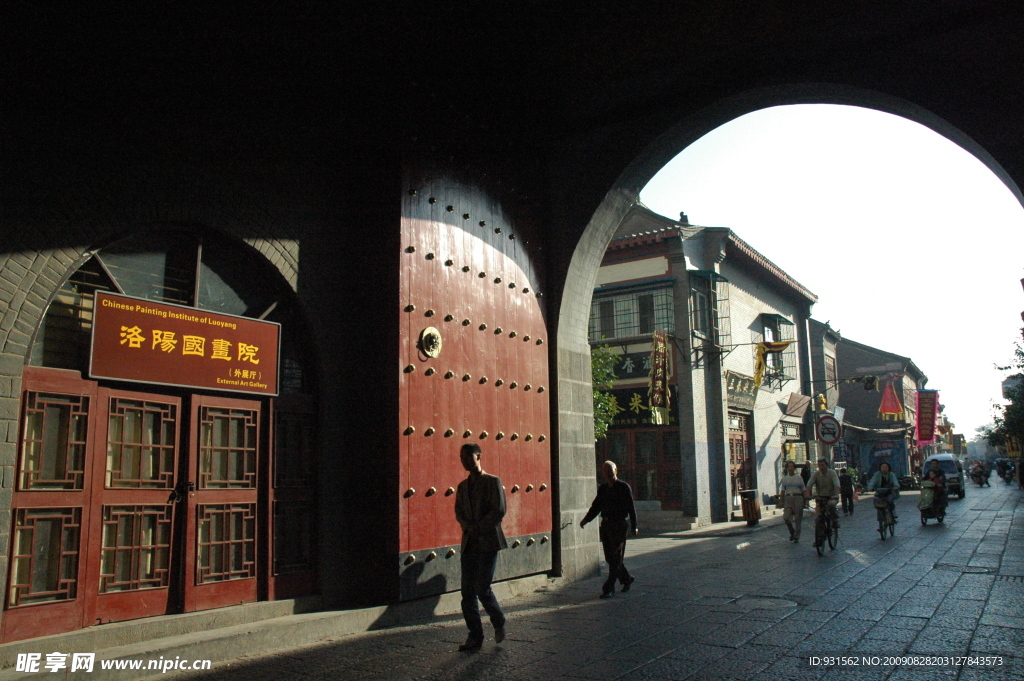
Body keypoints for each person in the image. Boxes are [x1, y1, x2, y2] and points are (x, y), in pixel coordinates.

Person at [454, 443, 507, 652]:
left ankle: (498, 620)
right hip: (469, 542)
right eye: (462, 457)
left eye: (469, 456)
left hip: (488, 541)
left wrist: (479, 527)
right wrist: (467, 526)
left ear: (479, 456)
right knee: (467, 592)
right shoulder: (462, 487)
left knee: (482, 587)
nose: (465, 460)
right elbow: (459, 511)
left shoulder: (493, 482)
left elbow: (499, 510)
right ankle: (474, 636)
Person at [580, 461, 638, 598]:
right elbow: (596, 507)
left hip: (619, 525)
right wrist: (586, 519)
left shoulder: (624, 487)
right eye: (605, 470)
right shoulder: (603, 489)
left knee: (615, 557)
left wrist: (635, 525)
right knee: (610, 557)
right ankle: (626, 578)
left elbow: (631, 507)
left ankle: (609, 588)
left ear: (616, 470)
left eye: (610, 470)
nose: (607, 472)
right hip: (606, 526)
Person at [805, 458, 841, 547]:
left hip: (831, 497)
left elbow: (836, 485)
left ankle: (834, 520)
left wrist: (836, 494)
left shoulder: (832, 473)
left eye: (823, 465)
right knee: (818, 519)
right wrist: (807, 494)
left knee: (831, 504)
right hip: (821, 498)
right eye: (819, 465)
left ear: (827, 465)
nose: (821, 467)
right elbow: (809, 484)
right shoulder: (816, 474)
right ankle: (819, 539)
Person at [778, 460, 806, 543]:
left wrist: (806, 500)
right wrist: (781, 501)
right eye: (788, 466)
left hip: (797, 498)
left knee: (798, 519)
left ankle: (797, 536)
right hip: (788, 498)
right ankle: (792, 532)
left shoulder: (799, 478)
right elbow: (783, 490)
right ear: (786, 468)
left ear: (794, 468)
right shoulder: (785, 479)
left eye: (791, 466)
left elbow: (803, 489)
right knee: (786, 517)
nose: (790, 468)